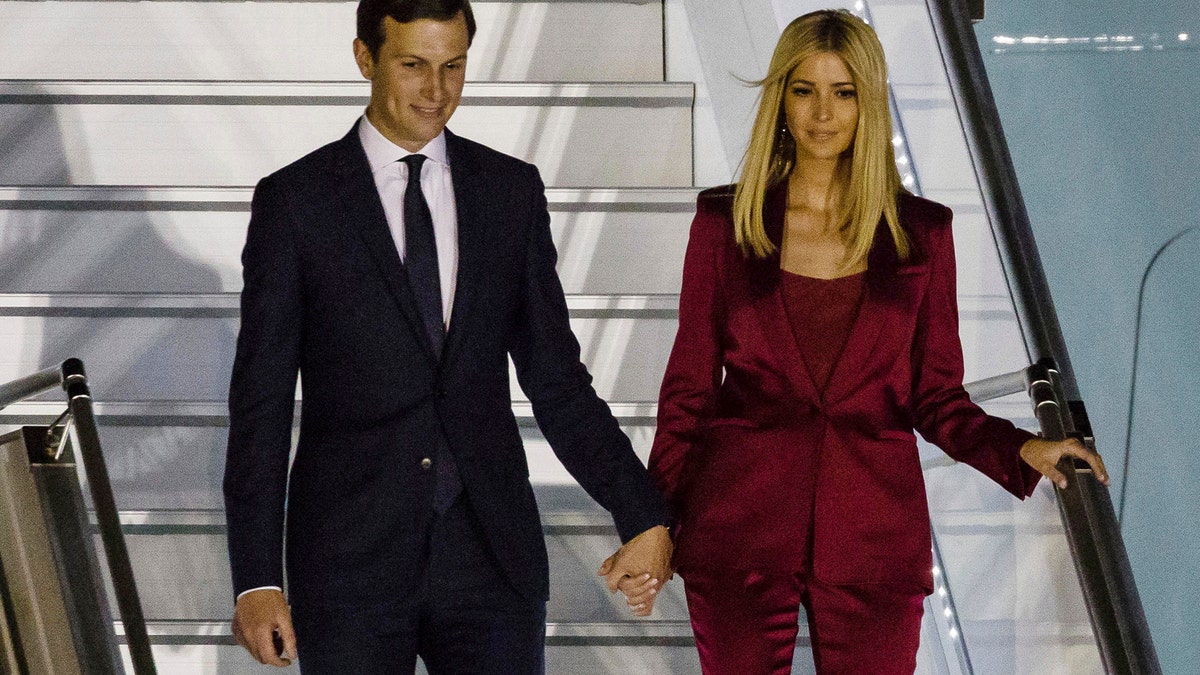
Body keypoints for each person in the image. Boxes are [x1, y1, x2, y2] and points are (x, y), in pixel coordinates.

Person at [635, 9, 1109, 674]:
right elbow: (685, 397)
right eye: (804, 90)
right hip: (738, 527)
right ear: (781, 100)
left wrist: (1020, 447)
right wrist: (652, 520)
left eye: (844, 91)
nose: (822, 113)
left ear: (870, 100)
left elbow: (935, 397)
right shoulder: (724, 222)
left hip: (874, 537)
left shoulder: (925, 235)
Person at [222, 0, 672, 672]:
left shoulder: (510, 193)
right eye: (413, 66)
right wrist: (256, 577)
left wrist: (642, 511)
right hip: (349, 563)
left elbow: (556, 379)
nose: (436, 91)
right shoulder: (296, 202)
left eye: (453, 66)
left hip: (490, 557)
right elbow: (259, 403)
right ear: (365, 58)